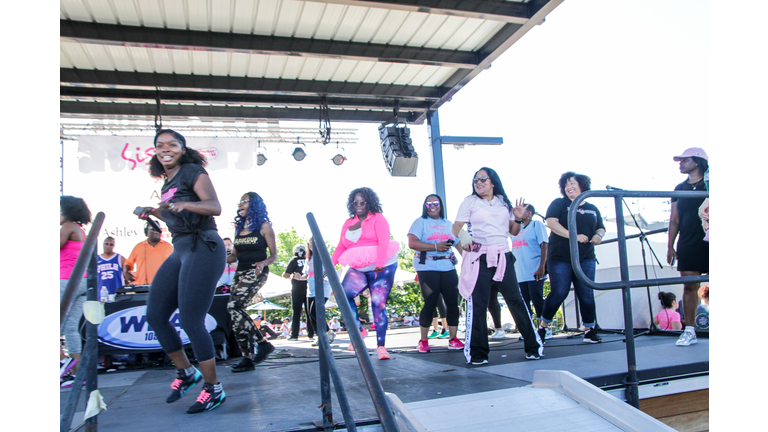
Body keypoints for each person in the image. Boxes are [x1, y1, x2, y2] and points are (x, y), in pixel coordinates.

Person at [136, 129, 227, 414]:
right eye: (160, 145)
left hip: (204, 246)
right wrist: (153, 211)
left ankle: (213, 388)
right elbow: (174, 214)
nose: (165, 149)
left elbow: (214, 206)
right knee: (155, 315)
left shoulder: (192, 171)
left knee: (191, 320)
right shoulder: (168, 183)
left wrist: (184, 203)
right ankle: (186, 372)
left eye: (172, 144)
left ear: (182, 149)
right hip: (181, 249)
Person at [451, 168, 543, 364]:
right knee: (478, 304)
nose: (478, 182)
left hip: (503, 255)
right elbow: (456, 226)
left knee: (516, 301)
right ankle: (478, 353)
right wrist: (464, 235)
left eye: (483, 178)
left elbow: (513, 231)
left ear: (492, 182)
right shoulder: (470, 201)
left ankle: (533, 347)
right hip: (480, 256)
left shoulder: (503, 202)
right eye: (475, 180)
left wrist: (518, 218)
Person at [331, 187, 400, 360]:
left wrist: (380, 264)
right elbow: (341, 246)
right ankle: (358, 330)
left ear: (369, 202)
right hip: (359, 266)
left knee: (378, 303)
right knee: (343, 294)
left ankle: (381, 346)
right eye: (355, 202)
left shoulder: (378, 218)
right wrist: (329, 265)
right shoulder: (348, 222)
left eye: (363, 202)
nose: (359, 205)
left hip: (382, 265)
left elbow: (384, 241)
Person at [538, 171, 606, 344]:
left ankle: (589, 329)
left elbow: (600, 227)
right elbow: (551, 222)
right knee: (559, 292)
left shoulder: (592, 208)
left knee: (586, 293)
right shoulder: (559, 203)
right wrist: (573, 235)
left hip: (586, 256)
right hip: (560, 257)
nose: (569, 187)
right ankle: (543, 327)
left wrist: (598, 235)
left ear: (582, 185)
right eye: (566, 184)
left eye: (572, 183)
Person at [226, 192, 277, 372]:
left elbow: (274, 255)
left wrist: (263, 263)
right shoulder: (239, 228)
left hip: (257, 271)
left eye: (244, 201)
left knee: (233, 306)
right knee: (235, 313)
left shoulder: (264, 226)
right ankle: (247, 358)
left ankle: (263, 343)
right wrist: (219, 257)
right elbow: (234, 256)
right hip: (240, 271)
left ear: (253, 204)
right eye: (240, 201)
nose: (240, 204)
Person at [408, 193, 464, 353]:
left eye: (435, 203)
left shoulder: (448, 224)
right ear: (424, 206)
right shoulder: (420, 222)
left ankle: (453, 338)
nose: (432, 206)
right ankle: (423, 340)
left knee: (452, 302)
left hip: (447, 266)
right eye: (429, 204)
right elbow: (412, 243)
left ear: (441, 206)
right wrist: (435, 247)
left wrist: (468, 261)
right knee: (431, 302)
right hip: (427, 266)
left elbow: (459, 244)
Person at [667, 147, 709, 347]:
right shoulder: (679, 188)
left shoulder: (711, 182)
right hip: (688, 241)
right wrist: (670, 246)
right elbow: (674, 219)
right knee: (690, 286)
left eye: (684, 160)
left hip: (711, 238)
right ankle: (690, 330)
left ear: (697, 161)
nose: (680, 164)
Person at [60, 196, 92, 388]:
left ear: (67, 211)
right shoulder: (81, 230)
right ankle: (77, 375)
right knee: (70, 329)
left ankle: (62, 362)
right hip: (83, 282)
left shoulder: (68, 227)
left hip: (67, 281)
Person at [510, 204, 549, 335]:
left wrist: (542, 266)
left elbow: (544, 245)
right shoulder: (517, 228)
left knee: (537, 299)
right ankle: (529, 331)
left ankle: (544, 329)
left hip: (534, 269)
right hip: (520, 271)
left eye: (523, 210)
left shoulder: (536, 225)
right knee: (524, 302)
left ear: (530, 213)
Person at [306, 237, 336, 346]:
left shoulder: (324, 256)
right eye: (309, 243)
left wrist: (324, 279)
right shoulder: (309, 259)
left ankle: (328, 331)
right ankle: (320, 336)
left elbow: (330, 270)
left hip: (322, 290)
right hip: (311, 290)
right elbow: (307, 274)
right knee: (310, 314)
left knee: (314, 311)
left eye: (313, 243)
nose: (311, 245)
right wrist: (299, 277)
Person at [284, 245, 309, 341]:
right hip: (308, 287)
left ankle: (294, 335)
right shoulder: (308, 260)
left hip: (297, 287)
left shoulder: (294, 260)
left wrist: (285, 275)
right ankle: (311, 333)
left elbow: (287, 274)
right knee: (309, 311)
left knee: (296, 311)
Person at [97, 236, 125, 301]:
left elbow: (126, 275)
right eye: (106, 244)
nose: (108, 246)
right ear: (103, 244)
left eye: (111, 244)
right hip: (101, 293)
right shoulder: (96, 259)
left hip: (117, 293)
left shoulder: (120, 258)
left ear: (114, 246)